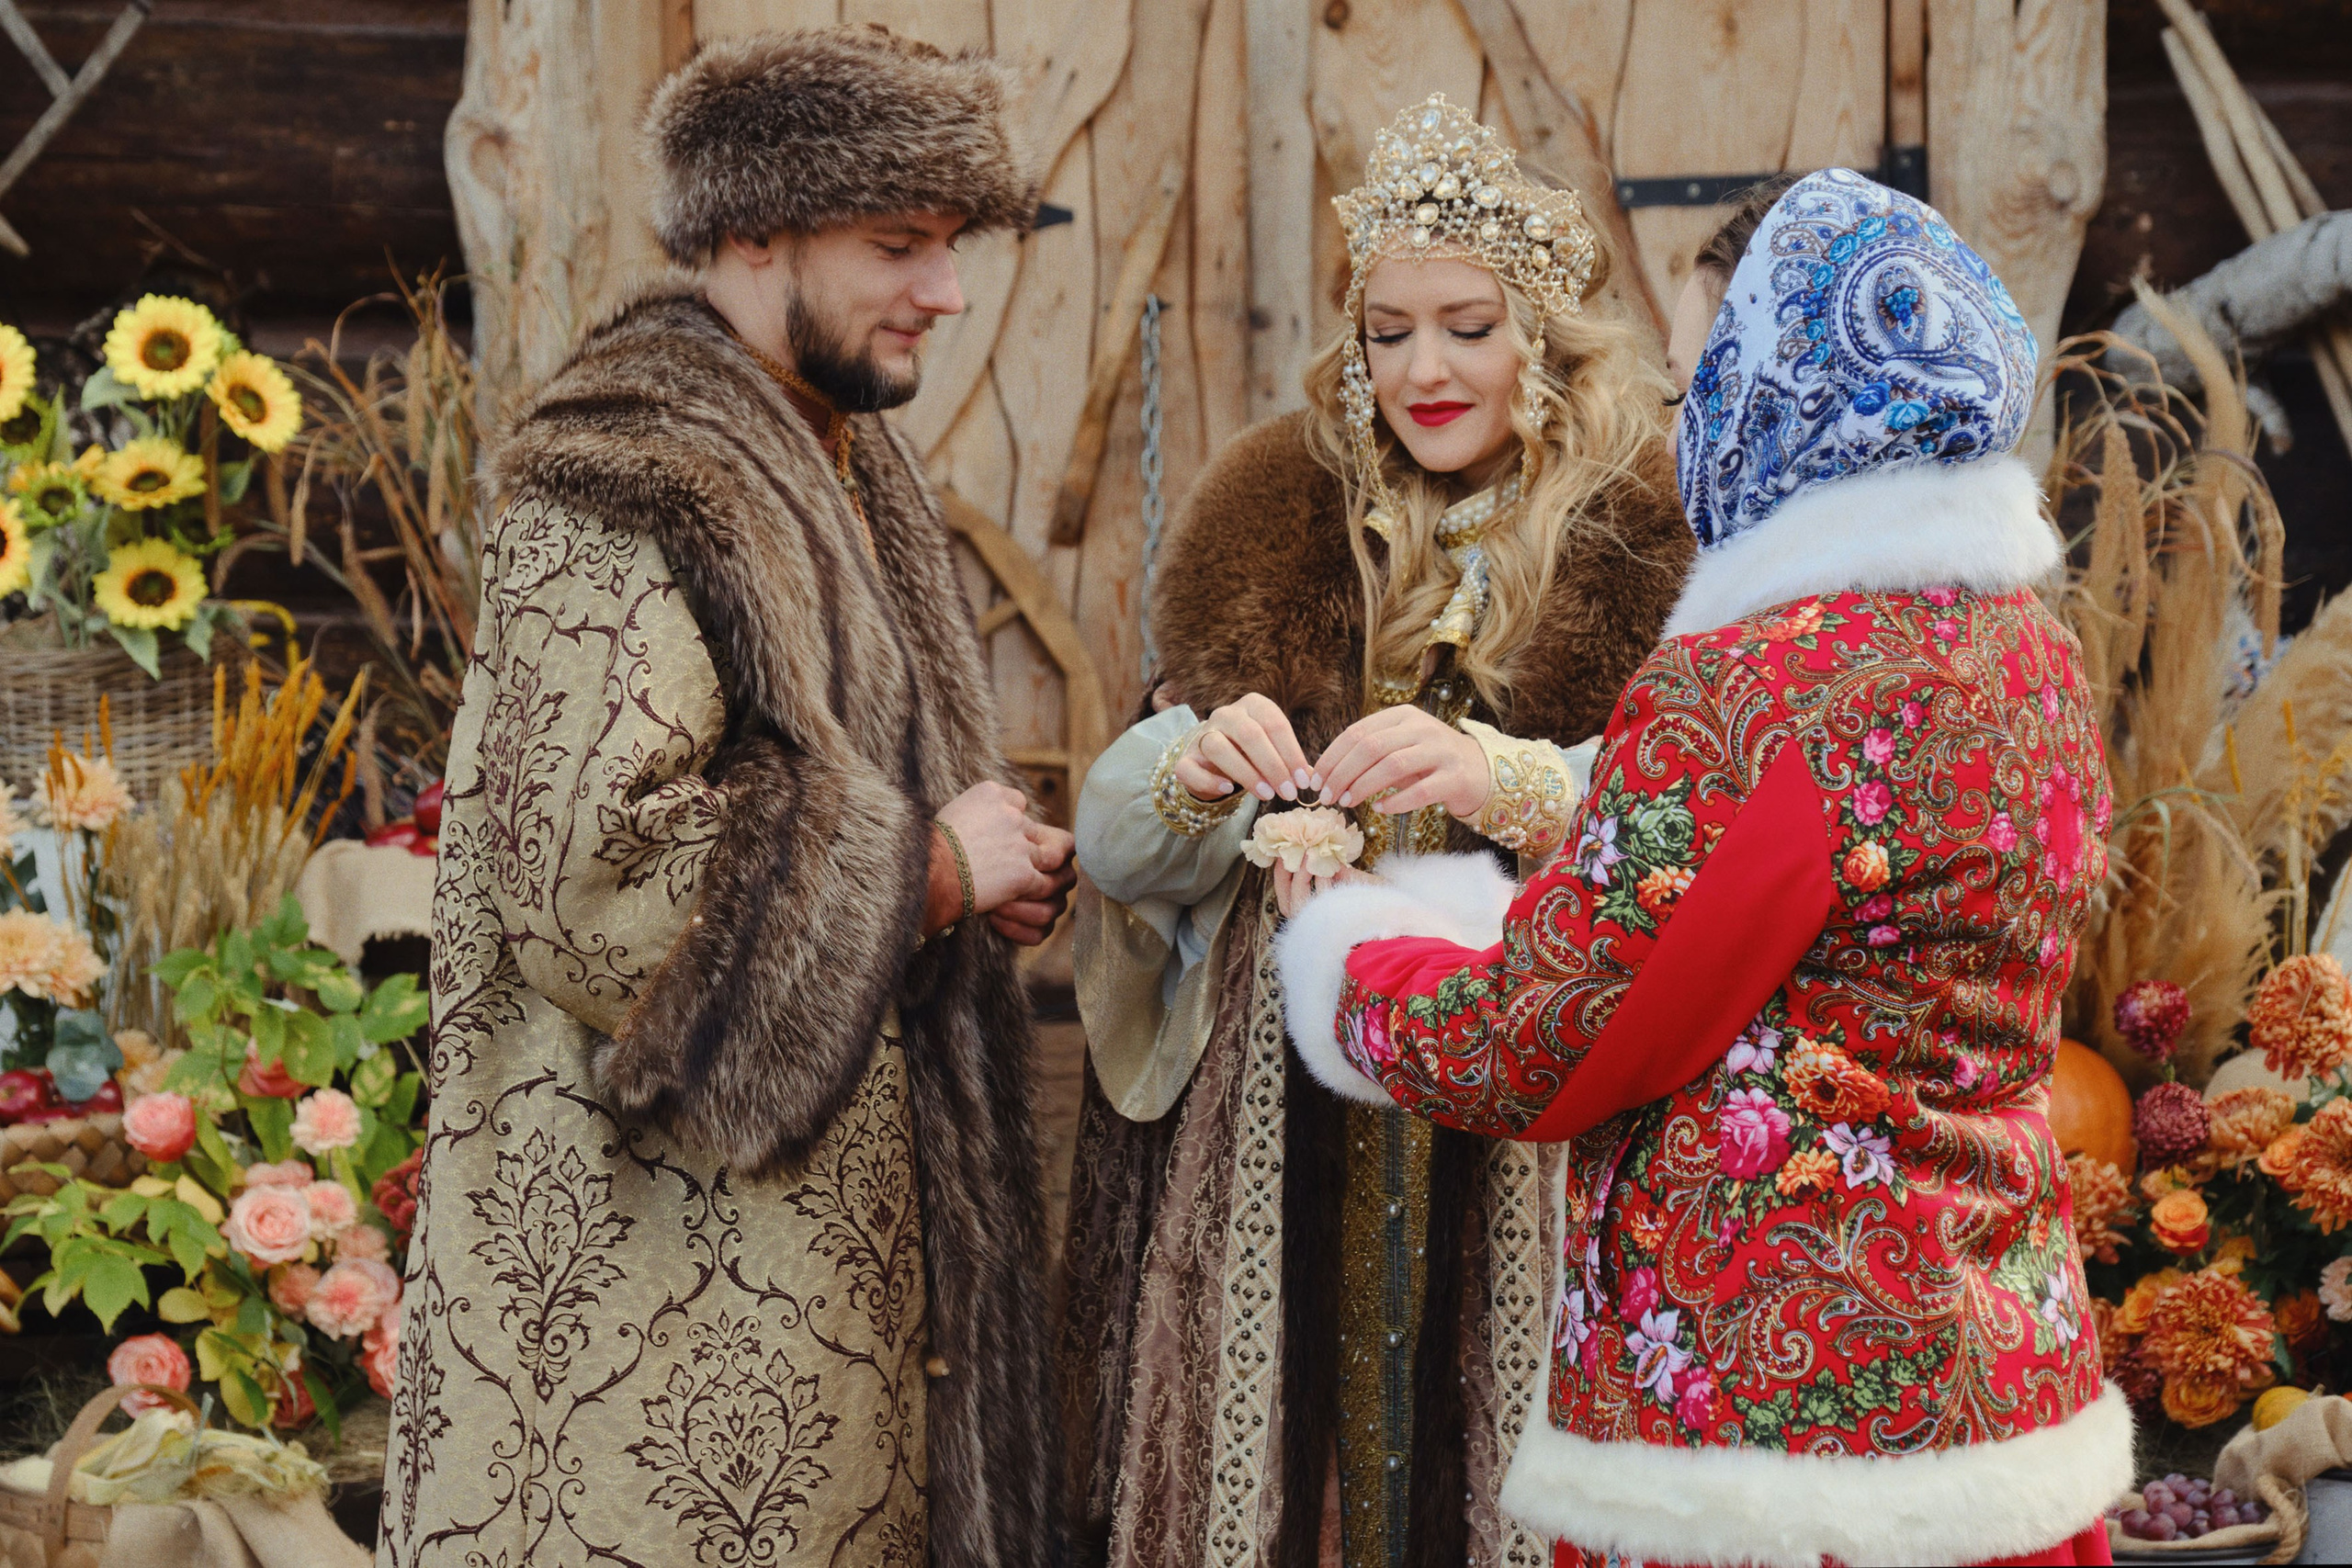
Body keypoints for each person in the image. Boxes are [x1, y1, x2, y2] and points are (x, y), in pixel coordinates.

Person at [1276, 166, 2129, 1568]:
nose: (1688, 429)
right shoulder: (2021, 651)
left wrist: (1356, 947)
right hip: (1997, 1377)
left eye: (1698, 384)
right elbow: (1812, 889)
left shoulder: (1748, 687)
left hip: (1771, 1429)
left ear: (1785, 390)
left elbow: (1538, 1046)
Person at [379, 28, 1074, 1568]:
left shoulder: (830, 450)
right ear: (752, 230)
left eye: (950, 246)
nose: (946, 293)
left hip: (813, 1329)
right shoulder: (625, 484)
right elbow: (597, 891)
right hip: (662, 1340)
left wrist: (981, 858)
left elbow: (844, 793)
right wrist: (931, 876)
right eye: (899, 246)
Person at [1060, 93, 1692, 1568]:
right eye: (1389, 331)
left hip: (1536, 1093)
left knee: (1497, 1456)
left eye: (1468, 326)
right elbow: (1115, 842)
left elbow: (1696, 811)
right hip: (1287, 1104)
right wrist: (1198, 769)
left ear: (1543, 330)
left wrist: (1508, 779)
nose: (1425, 369)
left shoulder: (1641, 537)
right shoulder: (1280, 514)